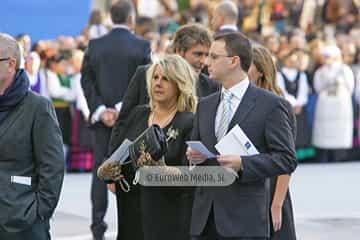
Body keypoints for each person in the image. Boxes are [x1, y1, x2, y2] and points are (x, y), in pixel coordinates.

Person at [187, 32, 297, 240]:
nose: (206, 62)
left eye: (214, 56)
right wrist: (194, 157)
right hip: (205, 220)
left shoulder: (271, 105)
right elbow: (198, 156)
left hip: (245, 221)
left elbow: (287, 159)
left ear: (234, 61)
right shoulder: (205, 105)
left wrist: (243, 163)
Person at [80, 1, 151, 239]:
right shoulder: (142, 45)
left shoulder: (95, 45)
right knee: (130, 171)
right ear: (131, 19)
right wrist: (122, 109)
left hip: (102, 122)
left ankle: (97, 228)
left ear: (111, 17)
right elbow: (146, 83)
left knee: (99, 173)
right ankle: (130, 228)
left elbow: (86, 80)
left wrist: (101, 109)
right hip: (131, 121)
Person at [107, 54, 197, 240]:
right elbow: (121, 150)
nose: (158, 83)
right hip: (130, 208)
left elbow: (193, 176)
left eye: (166, 79)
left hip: (168, 215)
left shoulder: (189, 122)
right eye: (155, 77)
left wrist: (163, 170)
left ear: (180, 84)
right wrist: (111, 169)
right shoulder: (138, 114)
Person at [0, 33, 64, 239]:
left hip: (23, 223)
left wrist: (39, 212)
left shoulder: (38, 107)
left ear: (10, 64)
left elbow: (52, 165)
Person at [120, 23, 219, 119]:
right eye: (198, 54)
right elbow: (123, 119)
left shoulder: (210, 86)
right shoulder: (144, 75)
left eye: (207, 55)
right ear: (179, 51)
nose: (204, 61)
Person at [248, 44, 296, 240]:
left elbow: (287, 161)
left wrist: (277, 203)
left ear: (260, 71)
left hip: (273, 189)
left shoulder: (278, 105)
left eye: (247, 65)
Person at [312, 45, 355, 162]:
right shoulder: (320, 72)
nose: (326, 59)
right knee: (324, 131)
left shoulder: (345, 69)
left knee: (340, 131)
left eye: (328, 56)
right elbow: (317, 87)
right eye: (325, 56)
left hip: (341, 106)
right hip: (325, 106)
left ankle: (340, 156)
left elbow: (350, 88)